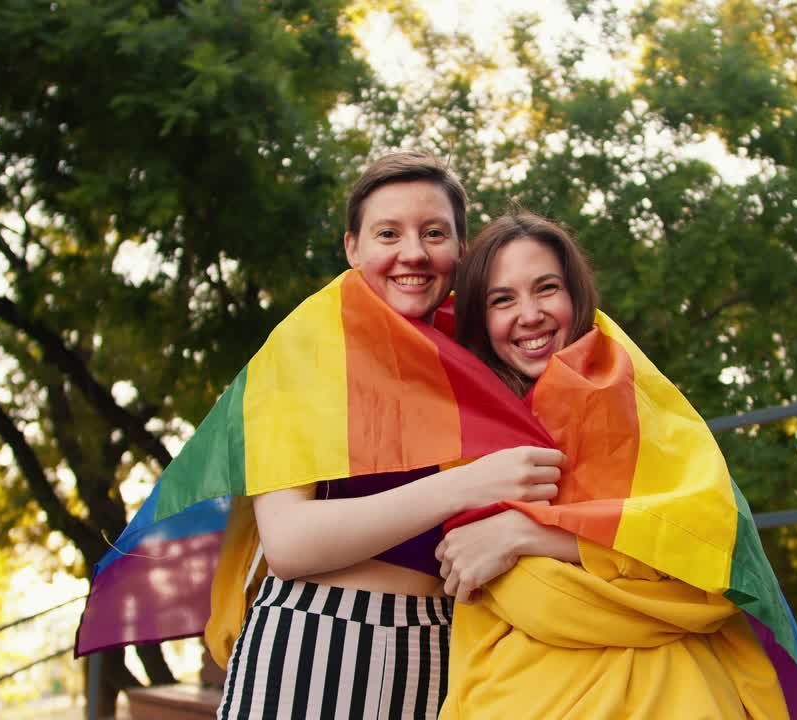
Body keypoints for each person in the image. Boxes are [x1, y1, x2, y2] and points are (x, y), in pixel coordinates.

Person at [210, 156, 565, 719]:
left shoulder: (486, 352)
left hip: (453, 651)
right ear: (353, 248)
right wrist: (468, 486)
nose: (414, 253)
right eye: (387, 233)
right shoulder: (308, 348)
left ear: (462, 248)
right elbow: (288, 544)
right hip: (322, 637)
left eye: (434, 233)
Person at [436, 211, 797, 719]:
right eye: (502, 299)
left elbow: (712, 549)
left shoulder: (642, 408)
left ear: (577, 297)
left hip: (673, 686)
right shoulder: (467, 428)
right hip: (524, 689)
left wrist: (527, 534)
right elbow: (500, 583)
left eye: (546, 288)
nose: (528, 314)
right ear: (478, 320)